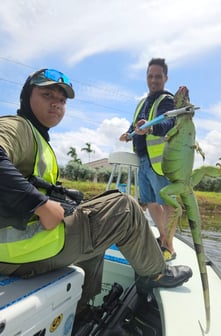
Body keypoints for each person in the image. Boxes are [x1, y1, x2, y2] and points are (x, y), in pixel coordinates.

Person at [0, 68, 192, 326]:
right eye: (47, 95)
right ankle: (155, 273)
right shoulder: (17, 126)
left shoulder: (39, 139)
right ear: (26, 97)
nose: (56, 103)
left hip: (22, 244)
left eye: (62, 100)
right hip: (18, 247)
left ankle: (79, 314)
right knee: (124, 208)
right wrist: (39, 204)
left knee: (95, 220)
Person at [120, 58, 177, 261]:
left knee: (167, 203)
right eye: (150, 76)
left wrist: (151, 128)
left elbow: (169, 122)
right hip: (143, 160)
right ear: (146, 77)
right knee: (150, 201)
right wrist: (128, 134)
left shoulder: (167, 100)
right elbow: (135, 125)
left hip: (159, 163)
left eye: (158, 76)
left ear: (165, 78)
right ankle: (163, 237)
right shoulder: (142, 103)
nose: (154, 80)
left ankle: (169, 246)